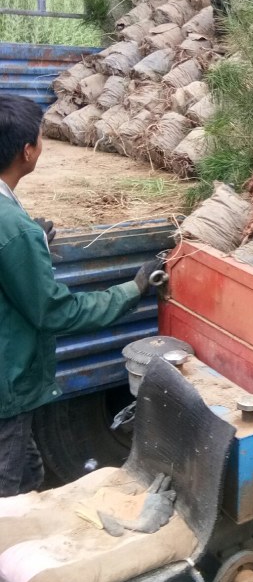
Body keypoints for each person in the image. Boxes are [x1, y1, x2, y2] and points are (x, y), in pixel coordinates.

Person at [0, 96, 162, 497]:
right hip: (5, 389)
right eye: (40, 138)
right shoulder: (11, 228)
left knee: (29, 475)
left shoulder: (14, 224)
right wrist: (134, 288)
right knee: (9, 494)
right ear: (27, 151)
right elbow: (55, 312)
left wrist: (30, 239)